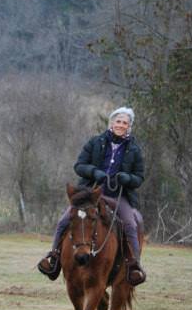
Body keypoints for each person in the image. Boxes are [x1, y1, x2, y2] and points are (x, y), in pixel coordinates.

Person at [37, 106, 146, 286]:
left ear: (129, 127)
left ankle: (133, 265)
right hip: (90, 194)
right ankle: (54, 257)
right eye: (118, 121)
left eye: (125, 123)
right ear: (111, 123)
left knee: (130, 224)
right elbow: (79, 166)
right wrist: (94, 172)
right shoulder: (95, 142)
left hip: (119, 196)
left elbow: (139, 177)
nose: (120, 125)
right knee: (64, 220)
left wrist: (127, 178)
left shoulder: (134, 149)